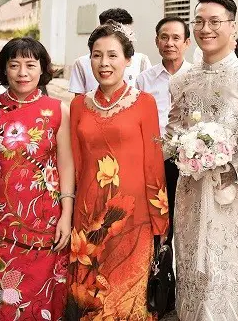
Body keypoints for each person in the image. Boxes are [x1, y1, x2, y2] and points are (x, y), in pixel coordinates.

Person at [166, 0, 238, 321]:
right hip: (192, 191)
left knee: (228, 270)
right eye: (199, 21)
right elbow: (172, 129)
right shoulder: (182, 79)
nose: (205, 28)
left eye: (214, 21)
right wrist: (174, 148)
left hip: (235, 195)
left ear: (232, 26)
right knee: (193, 267)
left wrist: (236, 167)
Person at [0, 39, 72, 318]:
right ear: (4, 69)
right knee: (1, 305)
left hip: (45, 225)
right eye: (14, 65)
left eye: (31, 65)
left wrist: (66, 215)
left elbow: (66, 166)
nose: (23, 72)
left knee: (41, 303)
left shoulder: (58, 111)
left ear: (42, 68)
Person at [67, 22, 169, 320]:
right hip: (88, 214)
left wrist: (160, 220)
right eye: (97, 56)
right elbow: (75, 162)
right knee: (89, 292)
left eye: (112, 55)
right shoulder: (78, 106)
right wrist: (70, 211)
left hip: (133, 215)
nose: (104, 63)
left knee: (127, 293)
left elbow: (153, 161)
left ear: (128, 60)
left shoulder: (144, 103)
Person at [136, 15, 192, 313]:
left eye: (175, 38)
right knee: (159, 225)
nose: (169, 43)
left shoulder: (197, 76)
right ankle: (160, 288)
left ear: (187, 42)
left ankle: (187, 288)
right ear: (157, 41)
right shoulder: (144, 80)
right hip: (154, 162)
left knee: (187, 225)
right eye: (163, 37)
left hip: (190, 163)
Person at [68, 8, 151, 95]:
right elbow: (79, 102)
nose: (104, 63)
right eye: (97, 55)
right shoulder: (81, 63)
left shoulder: (141, 61)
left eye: (129, 33)